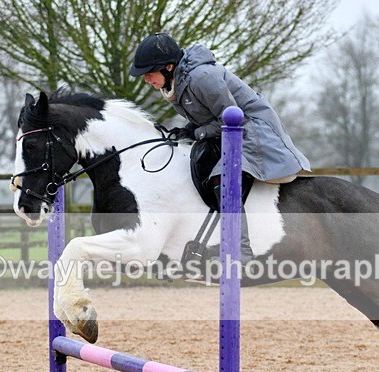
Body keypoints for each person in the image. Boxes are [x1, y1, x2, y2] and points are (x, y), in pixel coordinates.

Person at [130, 33, 310, 262]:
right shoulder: (178, 82)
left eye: (149, 73)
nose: (146, 80)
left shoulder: (202, 77)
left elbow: (233, 118)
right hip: (232, 130)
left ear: (168, 67)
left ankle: (239, 249)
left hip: (252, 132)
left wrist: (199, 133)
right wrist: (187, 130)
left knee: (222, 179)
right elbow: (208, 116)